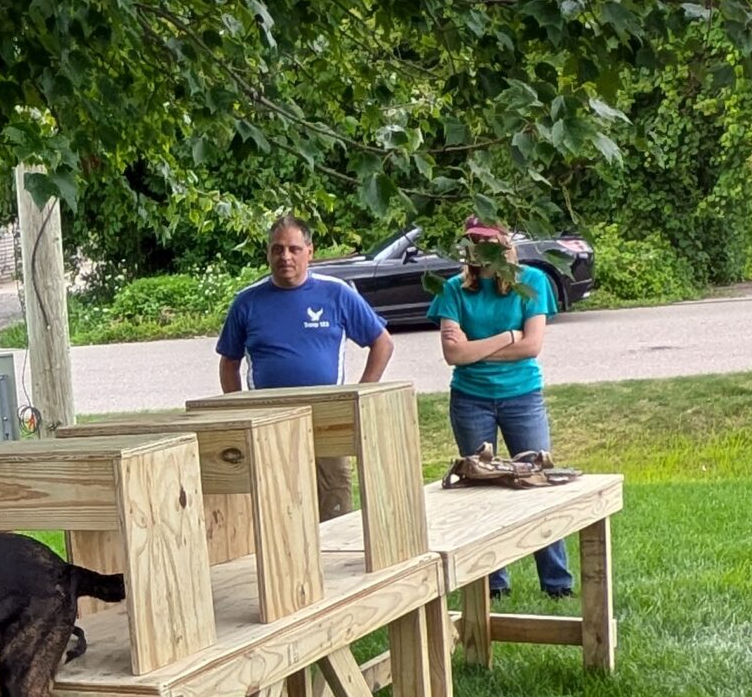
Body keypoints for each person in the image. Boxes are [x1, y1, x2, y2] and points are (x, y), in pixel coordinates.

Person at [428, 217, 573, 597]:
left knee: (535, 479)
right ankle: (492, 583)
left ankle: (556, 583)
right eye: (473, 241)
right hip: (470, 399)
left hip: (522, 396)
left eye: (487, 241)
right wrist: (509, 335)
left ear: (503, 244)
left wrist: (477, 349)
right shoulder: (454, 289)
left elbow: (532, 347)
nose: (479, 249)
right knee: (479, 484)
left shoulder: (532, 283)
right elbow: (453, 355)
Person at [215, 213, 391, 517]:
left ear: (310, 252)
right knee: (277, 509)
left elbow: (382, 343)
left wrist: (360, 394)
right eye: (277, 249)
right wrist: (238, 409)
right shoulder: (247, 302)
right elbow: (229, 362)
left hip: (327, 420)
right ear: (268, 253)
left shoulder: (336, 293)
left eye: (294, 249)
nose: (285, 257)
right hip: (268, 421)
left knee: (334, 508)